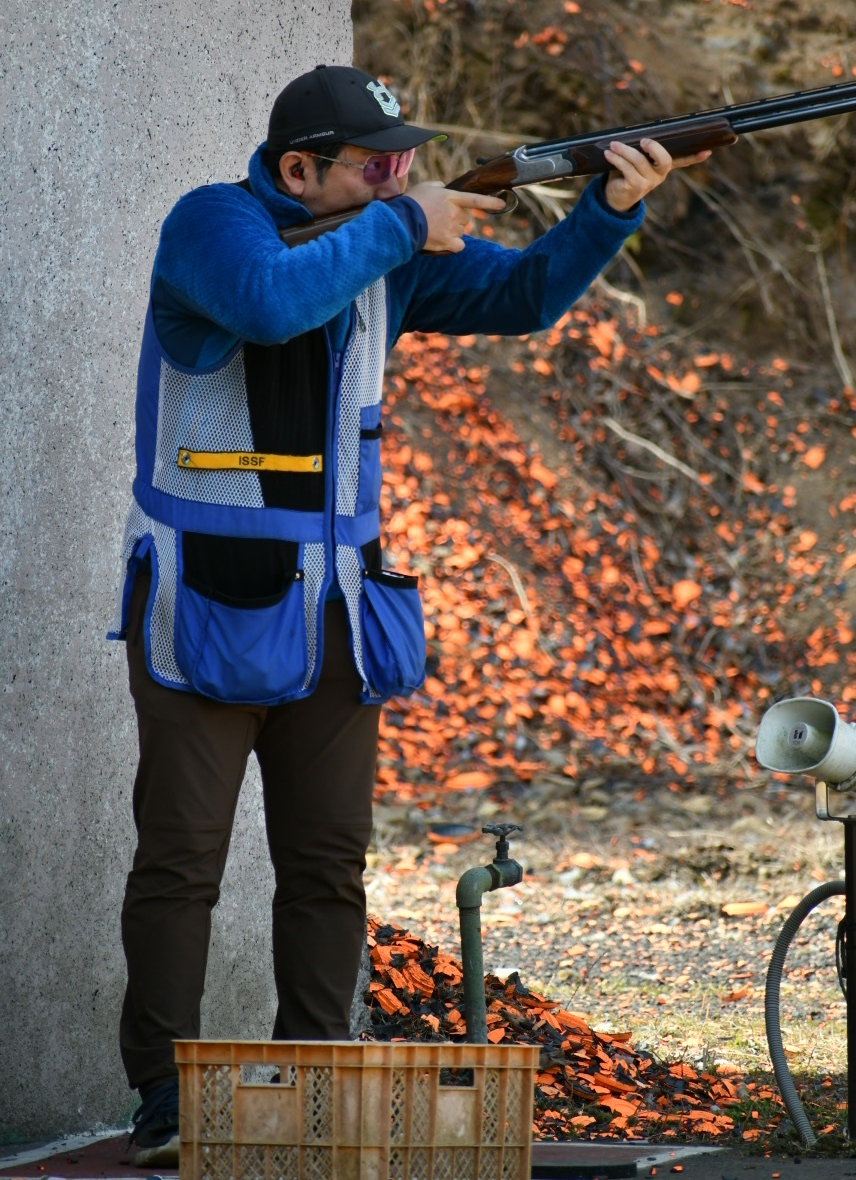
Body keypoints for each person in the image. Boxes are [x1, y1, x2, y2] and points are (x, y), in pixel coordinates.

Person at [108, 63, 710, 1165]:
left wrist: (609, 208)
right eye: (378, 164)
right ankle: (162, 1094)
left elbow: (525, 296)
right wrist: (402, 222)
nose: (401, 177)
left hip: (339, 613)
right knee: (182, 860)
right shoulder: (211, 224)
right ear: (300, 170)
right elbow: (270, 301)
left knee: (328, 864)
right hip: (206, 608)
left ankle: (311, 1084)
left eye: (406, 163)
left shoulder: (382, 246)